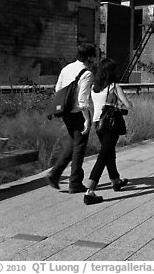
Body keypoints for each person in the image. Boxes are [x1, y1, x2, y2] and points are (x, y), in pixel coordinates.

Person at [45, 43, 96, 194]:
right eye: (93, 56)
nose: (94, 59)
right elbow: (83, 99)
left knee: (73, 143)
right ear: (88, 57)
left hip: (65, 112)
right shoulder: (86, 73)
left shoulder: (66, 68)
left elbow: (58, 89)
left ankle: (54, 174)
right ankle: (75, 183)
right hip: (78, 113)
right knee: (79, 147)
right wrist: (87, 118)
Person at [84, 58, 132, 205]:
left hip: (98, 124)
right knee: (104, 155)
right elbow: (129, 105)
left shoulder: (94, 87)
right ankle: (90, 191)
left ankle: (115, 181)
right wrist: (117, 104)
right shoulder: (114, 87)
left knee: (109, 152)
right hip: (110, 124)